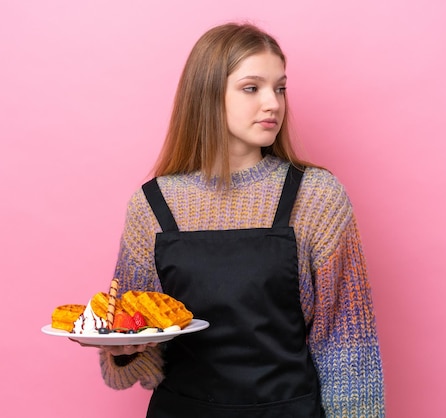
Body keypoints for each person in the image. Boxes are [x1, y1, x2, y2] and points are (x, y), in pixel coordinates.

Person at [91, 22, 385, 417]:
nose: (273, 104)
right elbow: (137, 356)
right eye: (252, 88)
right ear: (208, 95)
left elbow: (347, 351)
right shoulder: (153, 206)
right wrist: (124, 351)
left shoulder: (316, 197)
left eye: (280, 88)